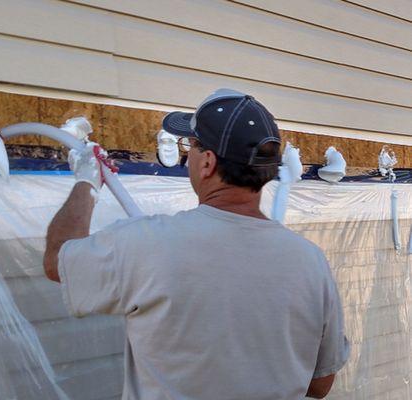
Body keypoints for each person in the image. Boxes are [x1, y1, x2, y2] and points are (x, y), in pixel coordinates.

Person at [44, 89, 350, 399]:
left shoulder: (147, 244)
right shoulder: (311, 261)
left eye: (190, 145)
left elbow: (57, 262)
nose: (186, 155)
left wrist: (86, 183)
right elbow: (320, 384)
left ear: (207, 162)